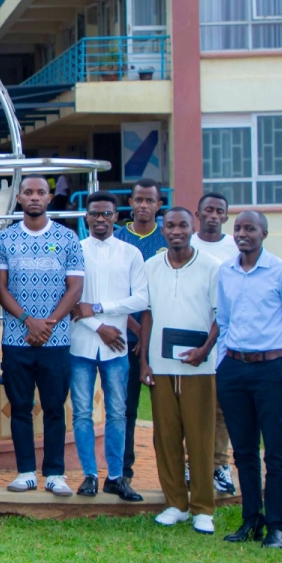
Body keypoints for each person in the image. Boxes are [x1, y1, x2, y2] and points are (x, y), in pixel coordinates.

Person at [217, 211, 282, 550]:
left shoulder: (281, 272)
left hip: (273, 369)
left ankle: (276, 526)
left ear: (264, 234)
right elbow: (223, 322)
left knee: (276, 452)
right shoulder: (225, 271)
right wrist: (220, 365)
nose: (242, 234)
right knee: (243, 451)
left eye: (250, 228)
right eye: (238, 228)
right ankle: (250, 519)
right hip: (234, 369)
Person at [0, 175, 84, 496]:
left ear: (49, 198)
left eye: (41, 193)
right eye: (28, 192)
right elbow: (0, 288)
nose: (35, 197)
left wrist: (48, 324)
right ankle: (25, 472)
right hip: (17, 341)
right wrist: (28, 321)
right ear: (18, 197)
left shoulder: (67, 238)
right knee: (20, 408)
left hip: (56, 341)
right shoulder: (4, 239)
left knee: (54, 408)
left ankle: (55, 473)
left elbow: (75, 288)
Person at [138, 207, 222, 534]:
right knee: (166, 438)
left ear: (192, 228)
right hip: (161, 366)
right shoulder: (151, 267)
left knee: (200, 439)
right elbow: (147, 315)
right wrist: (144, 361)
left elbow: (220, 316)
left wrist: (204, 351)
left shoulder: (211, 267)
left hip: (199, 368)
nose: (176, 231)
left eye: (182, 225)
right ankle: (176, 504)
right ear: (163, 230)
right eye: (170, 225)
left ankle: (203, 508)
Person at [67, 191, 148, 502]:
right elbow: (73, 302)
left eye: (106, 214)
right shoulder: (75, 250)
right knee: (82, 413)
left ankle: (116, 476)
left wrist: (99, 308)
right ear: (86, 217)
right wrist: (99, 326)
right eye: (94, 214)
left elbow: (141, 298)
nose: (100, 219)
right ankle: (89, 474)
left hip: (116, 348)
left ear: (117, 217)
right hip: (82, 344)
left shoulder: (131, 254)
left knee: (117, 412)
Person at [114, 177, 167, 483]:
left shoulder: (170, 237)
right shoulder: (119, 240)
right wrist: (135, 328)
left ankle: (176, 471)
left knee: (170, 412)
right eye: (138, 200)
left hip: (165, 340)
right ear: (130, 203)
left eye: (150, 200)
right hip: (128, 339)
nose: (143, 205)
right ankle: (125, 471)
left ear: (159, 205)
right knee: (127, 409)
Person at [191, 191, 239, 496]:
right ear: (198, 215)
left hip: (225, 340)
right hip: (191, 339)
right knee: (192, 407)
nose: (213, 215)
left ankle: (220, 465)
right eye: (207, 210)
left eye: (219, 211)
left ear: (225, 216)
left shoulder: (235, 248)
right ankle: (191, 464)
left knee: (223, 408)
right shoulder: (187, 243)